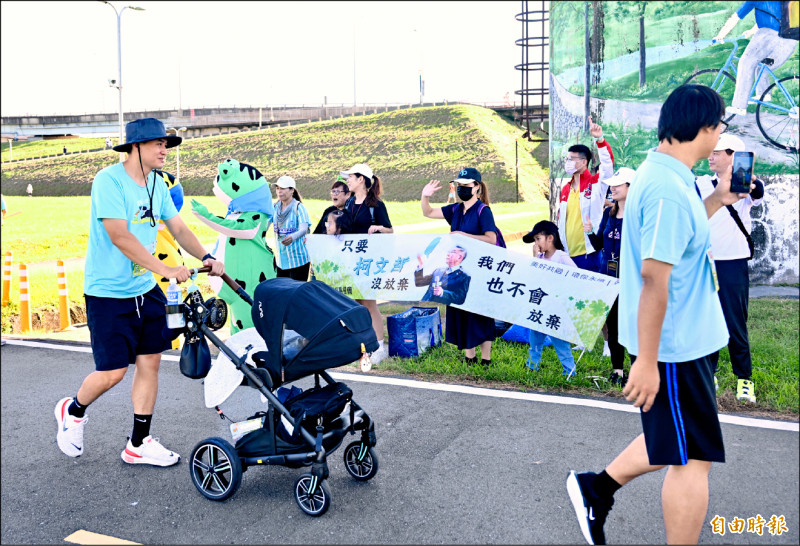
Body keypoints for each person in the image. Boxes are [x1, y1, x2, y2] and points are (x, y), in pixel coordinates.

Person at [566, 84, 751, 545]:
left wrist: (720, 201)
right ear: (704, 128)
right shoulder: (668, 186)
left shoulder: (668, 173)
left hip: (688, 340)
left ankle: (597, 488)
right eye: (720, 126)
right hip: (675, 346)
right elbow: (653, 279)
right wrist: (646, 361)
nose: (720, 137)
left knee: (677, 437)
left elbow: (680, 237)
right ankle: (600, 490)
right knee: (691, 458)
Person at [54, 118, 224, 467]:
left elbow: (177, 227)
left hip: (145, 290)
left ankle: (138, 442)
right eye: (157, 144)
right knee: (113, 372)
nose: (165, 150)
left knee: (150, 362)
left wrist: (207, 256)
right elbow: (120, 236)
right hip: (108, 292)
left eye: (166, 144)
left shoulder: (157, 184)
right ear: (135, 148)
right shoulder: (109, 181)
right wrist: (165, 270)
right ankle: (72, 410)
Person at [696, 133, 764, 402]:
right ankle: (709, 373)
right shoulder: (701, 183)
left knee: (735, 323)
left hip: (733, 262)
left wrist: (752, 181)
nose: (711, 156)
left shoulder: (745, 186)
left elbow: (756, 193)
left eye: (717, 152)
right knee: (706, 319)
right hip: (705, 262)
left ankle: (744, 379)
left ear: (733, 156)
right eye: (710, 152)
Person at [420, 167, 498, 366]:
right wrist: (425, 196)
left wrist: (464, 236)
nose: (461, 188)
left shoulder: (483, 211)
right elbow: (427, 212)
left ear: (477, 187)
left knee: (480, 314)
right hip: (458, 270)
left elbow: (491, 239)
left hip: (478, 271)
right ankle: (469, 357)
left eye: (466, 185)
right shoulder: (455, 209)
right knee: (462, 311)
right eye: (458, 185)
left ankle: (486, 360)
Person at [586, 167, 636, 387]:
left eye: (618, 184)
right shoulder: (609, 213)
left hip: (632, 280)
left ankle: (637, 370)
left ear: (631, 188)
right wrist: (588, 231)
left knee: (633, 325)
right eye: (612, 184)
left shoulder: (638, 215)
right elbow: (599, 244)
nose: (612, 188)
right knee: (613, 324)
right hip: (609, 277)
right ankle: (618, 370)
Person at [341, 163, 393, 363]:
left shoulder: (376, 205)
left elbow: (390, 231)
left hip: (369, 262)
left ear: (361, 179)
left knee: (369, 303)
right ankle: (362, 345)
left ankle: (380, 347)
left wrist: (378, 227)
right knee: (355, 303)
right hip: (350, 261)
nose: (348, 180)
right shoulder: (349, 203)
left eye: (350, 177)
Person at [714, 1, 799, 117]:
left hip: (768, 36)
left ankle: (739, 106)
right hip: (790, 41)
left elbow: (735, 18)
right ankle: (764, 94)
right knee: (762, 64)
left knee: (746, 62)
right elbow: (773, 18)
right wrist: (751, 31)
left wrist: (720, 35)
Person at [557, 117, 615, 274]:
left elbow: (608, 166)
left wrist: (599, 139)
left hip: (589, 255)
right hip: (567, 255)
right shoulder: (565, 190)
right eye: (566, 158)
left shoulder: (596, 183)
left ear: (584, 162)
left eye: (571, 159)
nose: (567, 162)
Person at [522, 220, 577, 378]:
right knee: (535, 341)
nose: (536, 243)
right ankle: (532, 367)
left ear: (550, 238)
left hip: (556, 309)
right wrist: (535, 258)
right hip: (540, 307)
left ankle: (570, 371)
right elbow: (534, 277)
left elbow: (577, 276)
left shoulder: (561, 257)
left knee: (561, 343)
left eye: (538, 238)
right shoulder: (539, 256)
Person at [270, 176, 311, 281]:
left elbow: (304, 228)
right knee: (282, 294)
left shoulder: (299, 207)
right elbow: (263, 225)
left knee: (296, 294)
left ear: (292, 190)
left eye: (283, 188)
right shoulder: (274, 207)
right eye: (277, 188)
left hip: (298, 262)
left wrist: (292, 237)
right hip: (281, 263)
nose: (279, 191)